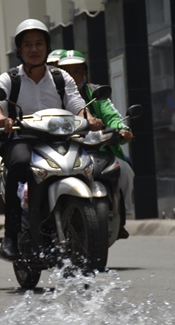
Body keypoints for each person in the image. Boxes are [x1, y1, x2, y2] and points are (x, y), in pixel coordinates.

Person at [0, 19, 103, 259]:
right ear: (19, 50)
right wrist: (1, 119)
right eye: (27, 44)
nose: (34, 49)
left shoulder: (61, 78)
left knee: (88, 164)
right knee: (19, 164)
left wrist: (89, 119)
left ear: (47, 47)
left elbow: (77, 105)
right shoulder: (9, 79)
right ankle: (11, 236)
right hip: (22, 138)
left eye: (39, 43)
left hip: (59, 137)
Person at [58, 49, 134, 237]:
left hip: (99, 150)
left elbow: (112, 115)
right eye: (66, 72)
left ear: (85, 74)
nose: (72, 77)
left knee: (124, 170)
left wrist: (121, 129)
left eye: (76, 71)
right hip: (64, 153)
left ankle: (121, 216)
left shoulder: (96, 94)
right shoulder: (51, 96)